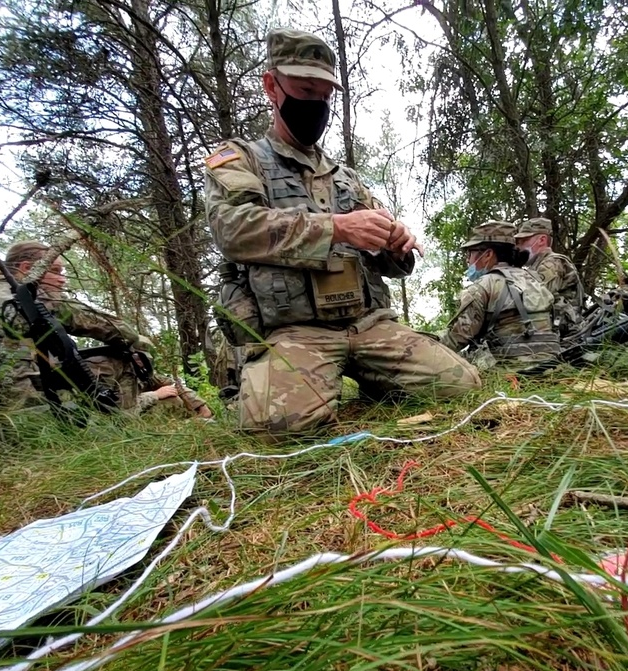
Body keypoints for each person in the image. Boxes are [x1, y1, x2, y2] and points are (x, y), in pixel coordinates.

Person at [202, 28, 480, 435]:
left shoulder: (346, 179)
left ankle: (373, 380)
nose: (314, 104)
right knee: (274, 425)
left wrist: (395, 243)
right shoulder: (240, 159)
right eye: (304, 89)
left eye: (324, 96)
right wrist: (336, 228)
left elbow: (392, 267)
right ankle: (296, 384)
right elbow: (234, 231)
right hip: (296, 331)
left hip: (369, 326)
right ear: (271, 86)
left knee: (462, 384)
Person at [0, 241, 211, 417]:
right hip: (29, 401)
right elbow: (116, 329)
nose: (62, 281)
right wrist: (138, 343)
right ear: (26, 268)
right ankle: (121, 416)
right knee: (118, 357)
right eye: (56, 271)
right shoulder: (37, 297)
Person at [439, 221, 559, 369]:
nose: (467, 260)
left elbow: (456, 340)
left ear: (488, 254)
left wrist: (423, 342)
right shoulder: (535, 278)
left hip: (510, 372)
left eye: (470, 253)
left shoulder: (483, 287)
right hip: (551, 366)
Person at [515, 217, 583, 335]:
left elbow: (534, 298)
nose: (518, 247)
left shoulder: (552, 262)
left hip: (566, 332)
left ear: (541, 240)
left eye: (523, 241)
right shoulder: (537, 265)